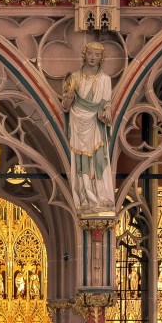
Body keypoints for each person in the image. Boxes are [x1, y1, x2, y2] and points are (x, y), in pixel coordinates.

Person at [62, 41, 115, 212]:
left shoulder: (105, 80)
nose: (93, 58)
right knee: (81, 159)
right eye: (90, 54)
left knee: (98, 157)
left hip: (95, 122)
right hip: (78, 120)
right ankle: (85, 196)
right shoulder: (74, 78)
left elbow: (107, 102)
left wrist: (107, 110)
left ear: (101, 58)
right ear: (85, 54)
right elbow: (66, 106)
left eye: (97, 55)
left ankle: (100, 195)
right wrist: (67, 101)